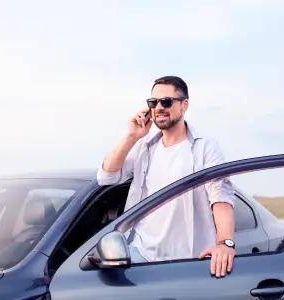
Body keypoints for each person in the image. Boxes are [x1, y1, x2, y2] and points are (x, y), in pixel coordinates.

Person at [96, 76, 236, 278]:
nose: (159, 107)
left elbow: (220, 196)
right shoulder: (143, 147)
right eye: (153, 103)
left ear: (184, 105)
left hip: (190, 259)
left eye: (166, 102)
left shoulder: (205, 147)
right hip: (141, 255)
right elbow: (106, 177)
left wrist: (225, 243)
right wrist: (131, 137)